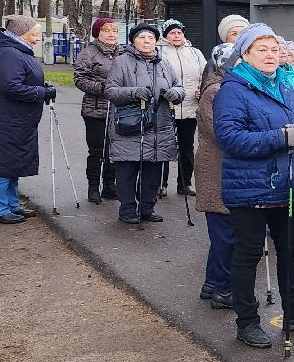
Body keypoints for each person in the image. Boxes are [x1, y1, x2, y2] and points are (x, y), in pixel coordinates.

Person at [213, 23, 294, 349]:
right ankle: (247, 321)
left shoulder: (285, 84)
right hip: (250, 189)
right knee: (248, 254)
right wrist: (277, 138)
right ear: (245, 54)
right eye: (261, 50)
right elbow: (229, 137)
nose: (270, 55)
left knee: (292, 250)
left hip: (287, 185)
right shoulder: (234, 89)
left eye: (274, 49)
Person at [0, 15, 54, 224]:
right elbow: (11, 87)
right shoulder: (8, 53)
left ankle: (12, 205)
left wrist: (41, 88)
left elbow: (21, 80)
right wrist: (42, 93)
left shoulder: (16, 51)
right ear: (20, 34)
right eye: (34, 35)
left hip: (15, 119)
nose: (37, 39)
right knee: (1, 165)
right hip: (3, 120)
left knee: (12, 164)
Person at [103, 22, 183, 225]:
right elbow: (110, 91)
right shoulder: (122, 62)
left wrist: (176, 94)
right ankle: (127, 209)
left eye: (151, 38)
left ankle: (147, 208)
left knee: (152, 172)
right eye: (142, 37)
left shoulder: (164, 63)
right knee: (127, 171)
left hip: (159, 126)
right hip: (131, 125)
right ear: (133, 41)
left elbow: (179, 86)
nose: (147, 41)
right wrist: (133, 92)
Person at [194, 42, 234, 310]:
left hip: (222, 167)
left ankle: (212, 283)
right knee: (225, 233)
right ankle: (222, 288)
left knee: (224, 231)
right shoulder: (215, 92)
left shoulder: (224, 88)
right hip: (215, 168)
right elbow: (223, 133)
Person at [157, 19, 206, 198]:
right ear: (165, 35)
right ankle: (160, 184)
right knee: (163, 146)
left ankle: (185, 183)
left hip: (190, 107)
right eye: (172, 33)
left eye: (179, 32)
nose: (176, 36)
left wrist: (202, 89)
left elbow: (205, 74)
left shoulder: (195, 53)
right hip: (166, 107)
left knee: (187, 147)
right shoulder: (159, 51)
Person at [74, 17, 120, 204]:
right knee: (97, 150)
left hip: (118, 110)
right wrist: (102, 88)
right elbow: (80, 79)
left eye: (114, 31)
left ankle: (110, 185)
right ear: (97, 33)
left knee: (115, 149)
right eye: (106, 31)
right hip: (95, 110)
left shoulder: (122, 53)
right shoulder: (88, 53)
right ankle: (93, 186)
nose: (111, 34)